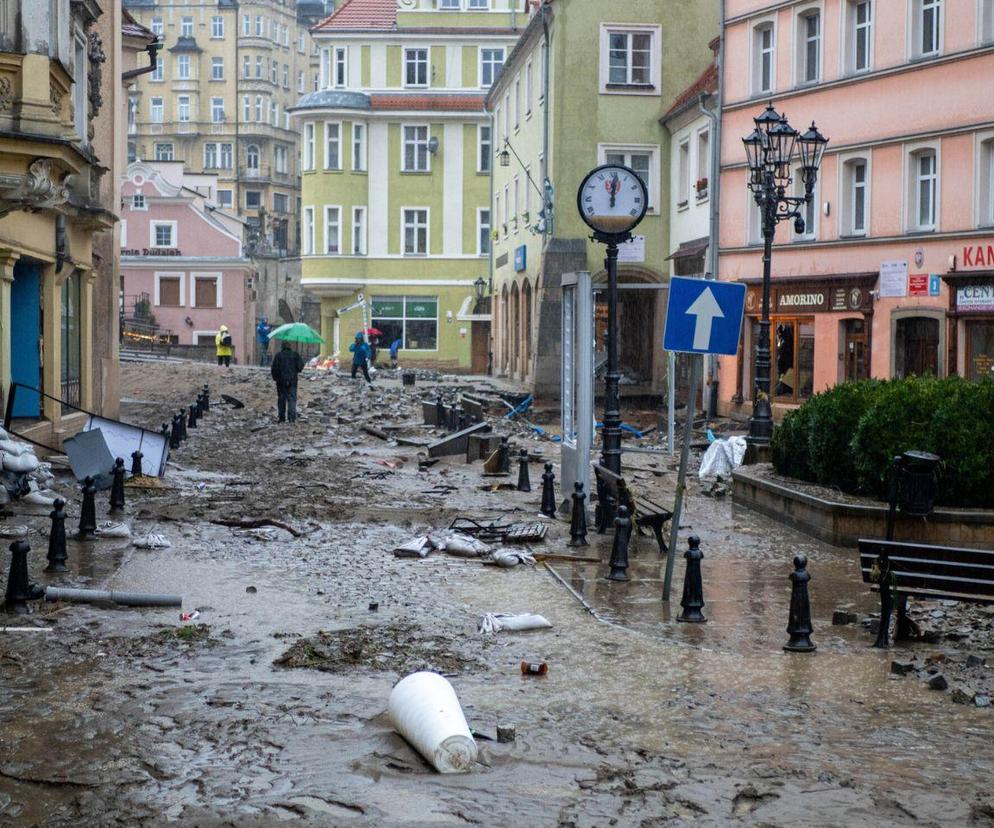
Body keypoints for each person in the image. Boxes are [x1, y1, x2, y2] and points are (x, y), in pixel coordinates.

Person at [270, 341, 304, 422]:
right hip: (292, 381)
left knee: (281, 399)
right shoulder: (295, 355)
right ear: (290, 346)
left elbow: (273, 369)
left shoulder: (278, 355)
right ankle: (291, 418)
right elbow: (300, 367)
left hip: (281, 382)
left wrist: (275, 378)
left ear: (282, 347)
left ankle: (282, 418)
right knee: (292, 399)